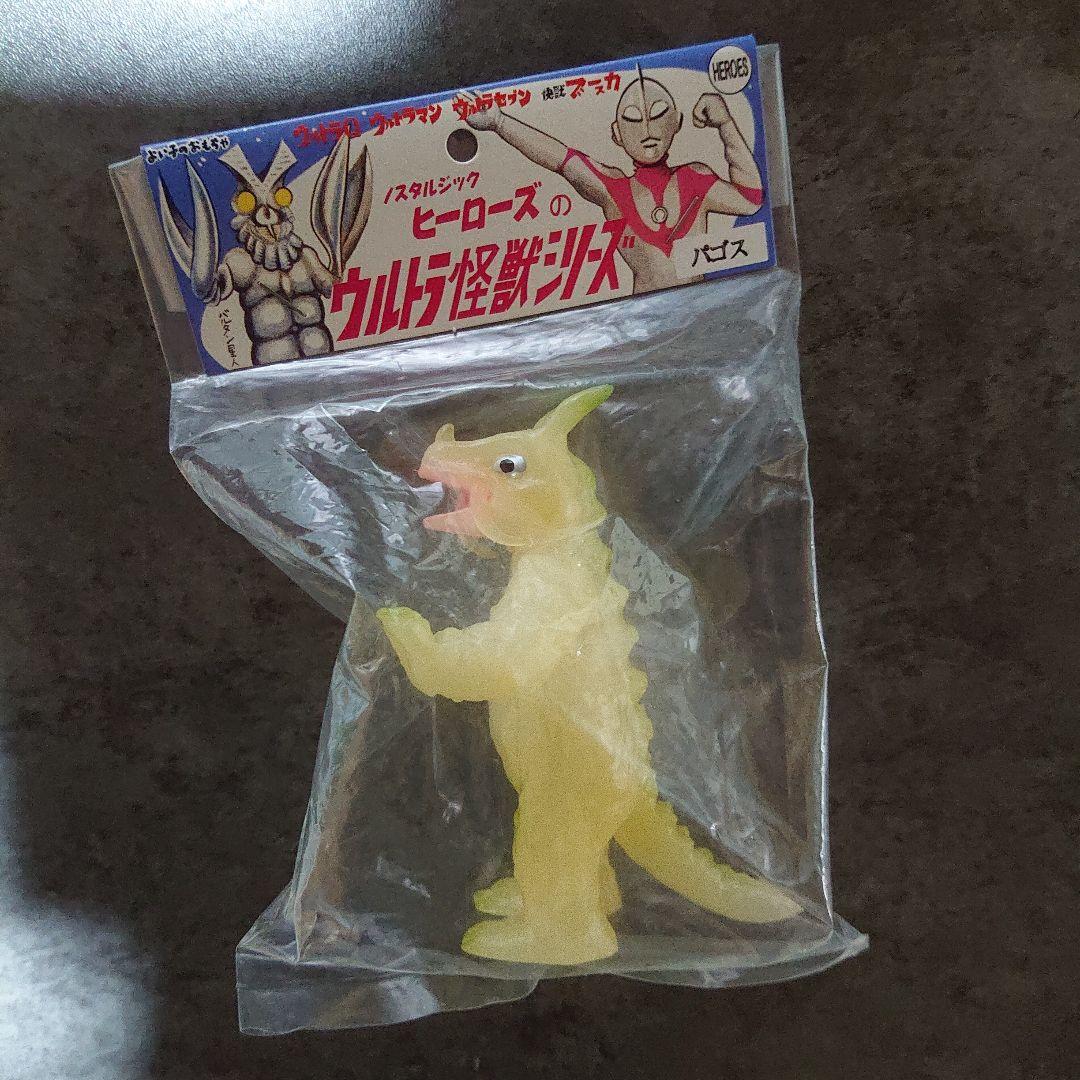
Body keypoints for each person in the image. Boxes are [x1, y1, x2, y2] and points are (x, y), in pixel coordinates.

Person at [464, 69, 764, 292]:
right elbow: (561, 158)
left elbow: (750, 200)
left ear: (677, 122)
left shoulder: (695, 178)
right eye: (632, 119)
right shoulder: (613, 188)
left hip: (699, 314)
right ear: (617, 134)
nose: (647, 129)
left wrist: (726, 124)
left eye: (658, 114)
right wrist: (499, 122)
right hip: (642, 325)